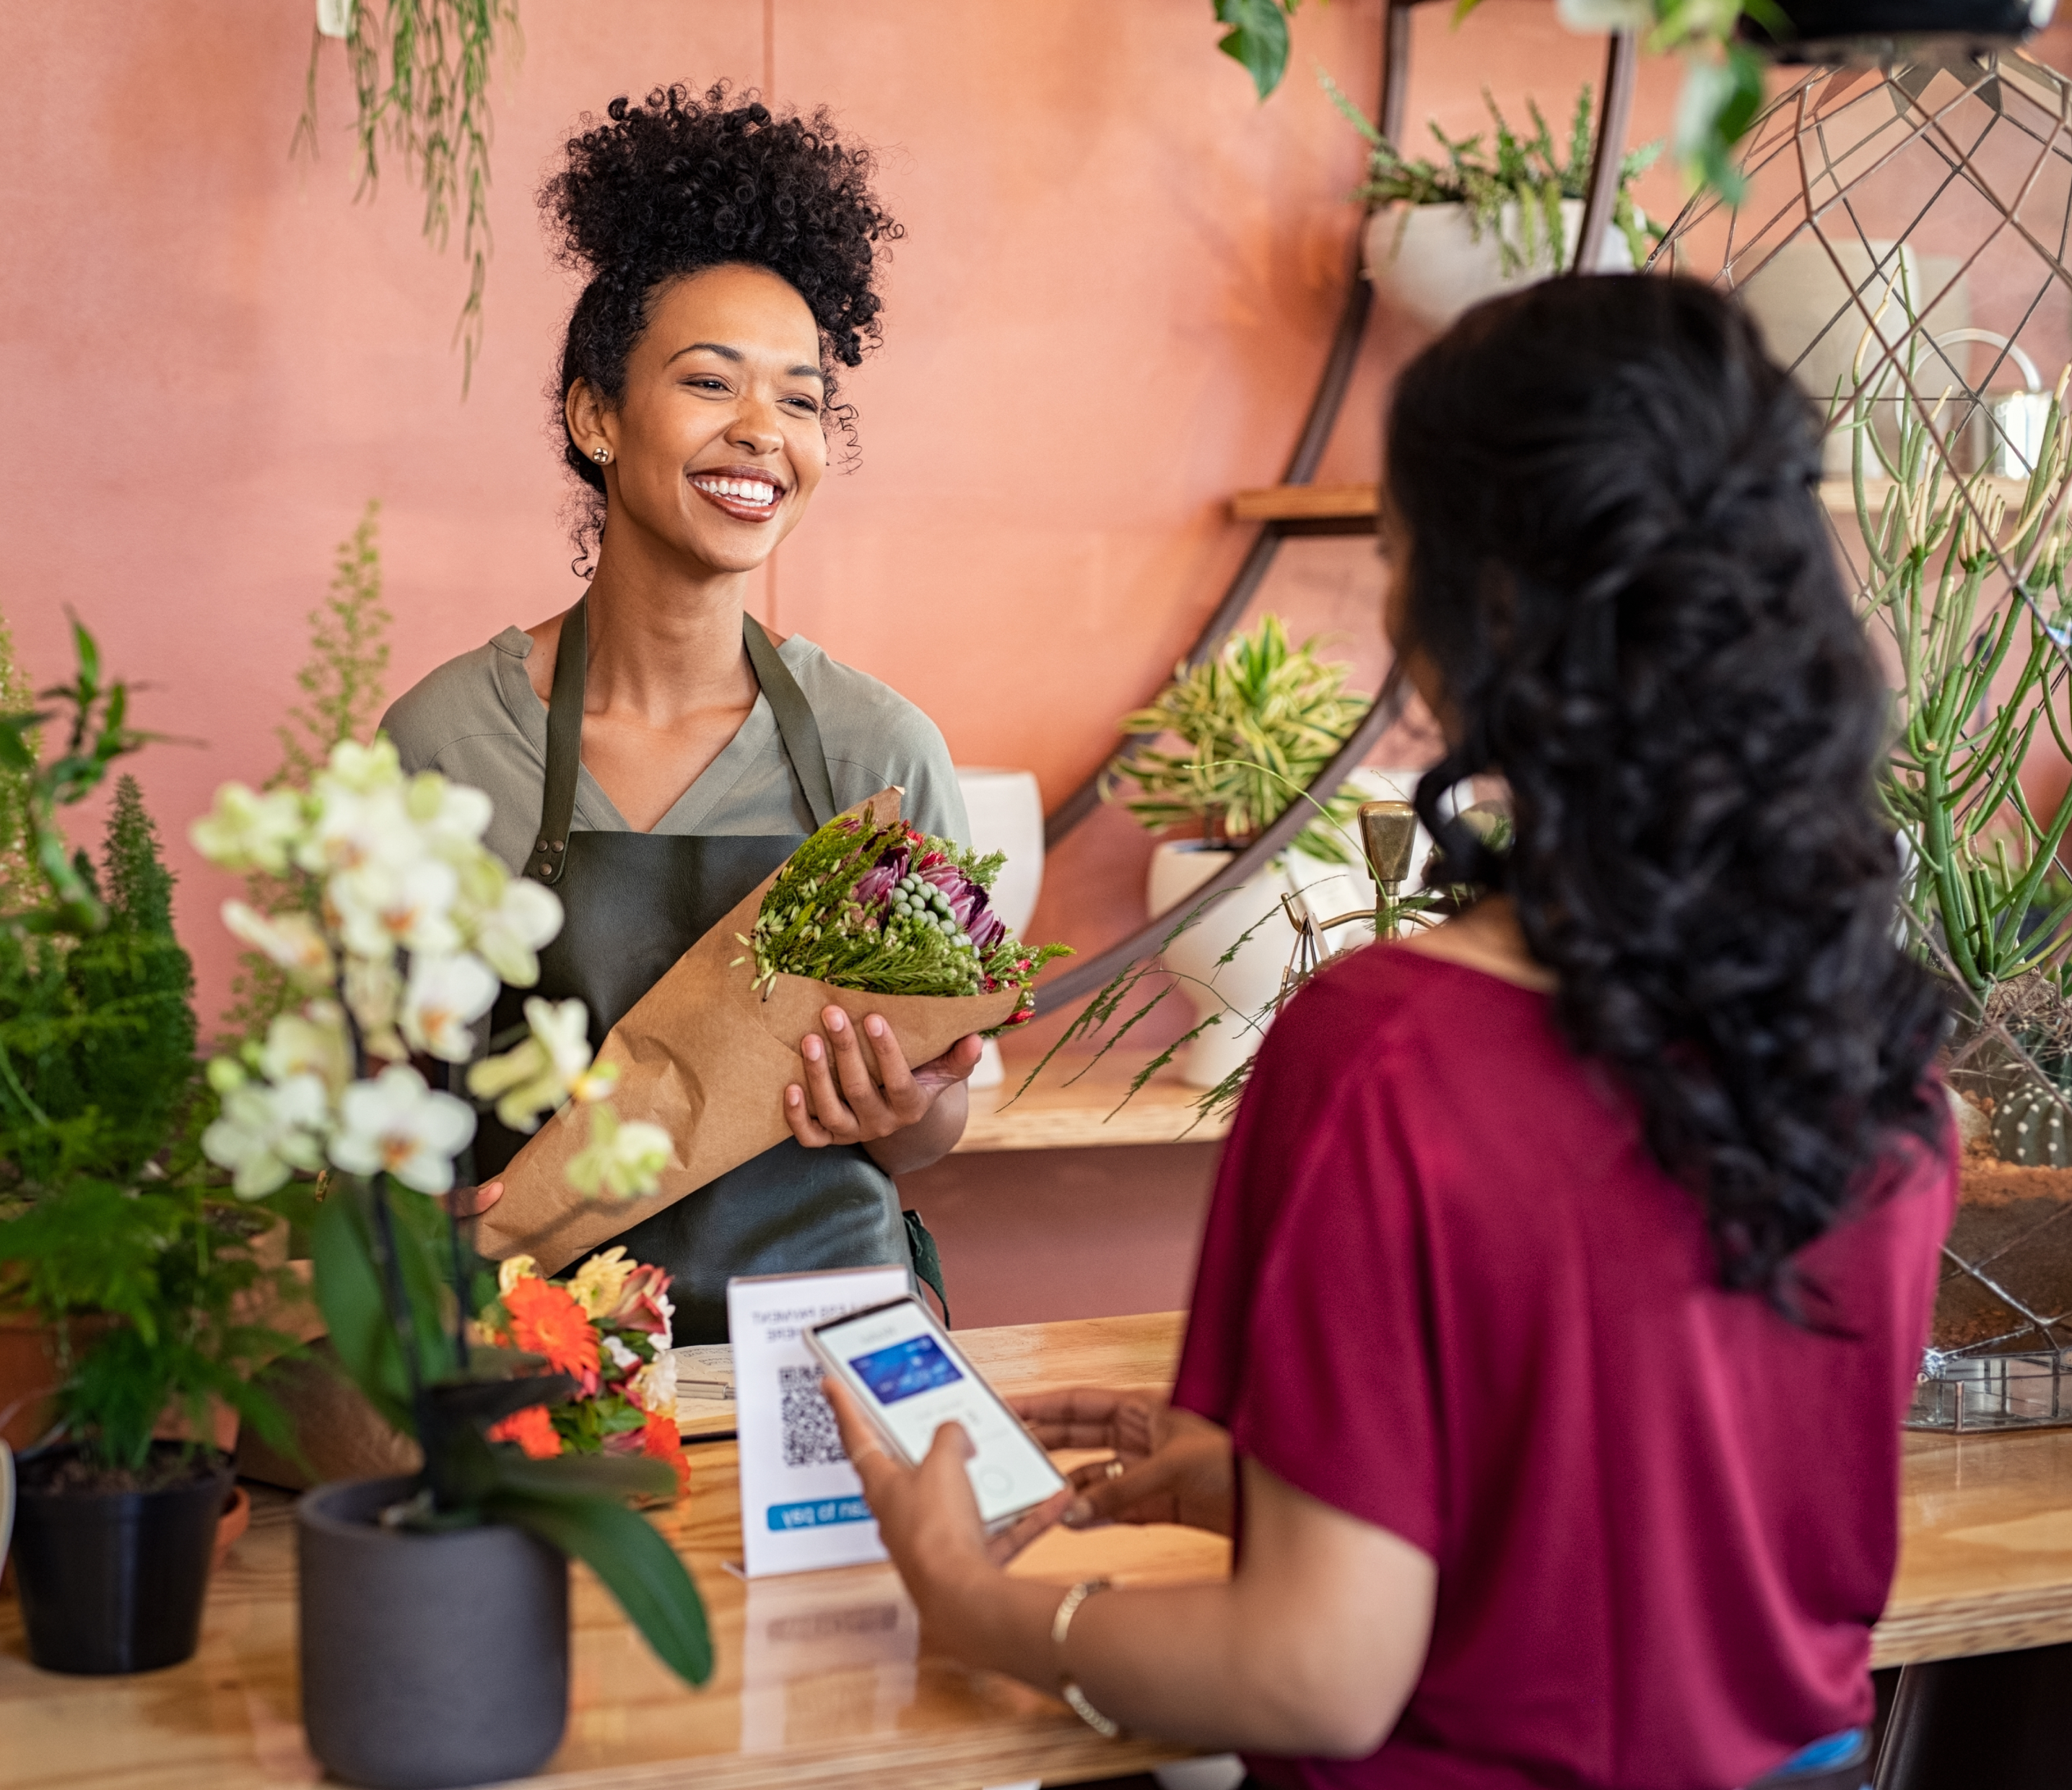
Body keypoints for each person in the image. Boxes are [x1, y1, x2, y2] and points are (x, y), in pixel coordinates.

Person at [828, 276, 1957, 1789]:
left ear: (1474, 617)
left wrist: (972, 1600)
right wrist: (1278, 1486)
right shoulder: (1873, 1047)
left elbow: (1317, 1676)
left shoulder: (1386, 1057)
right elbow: (1646, 1519)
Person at [381, 84, 983, 1344]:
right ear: (595, 416)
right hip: (547, 1374)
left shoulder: (878, 755)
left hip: (822, 1362)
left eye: (802, 401)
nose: (762, 432)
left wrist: (903, 1105)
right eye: (710, 382)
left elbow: (928, 1136)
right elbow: (381, 1114)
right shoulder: (446, 747)